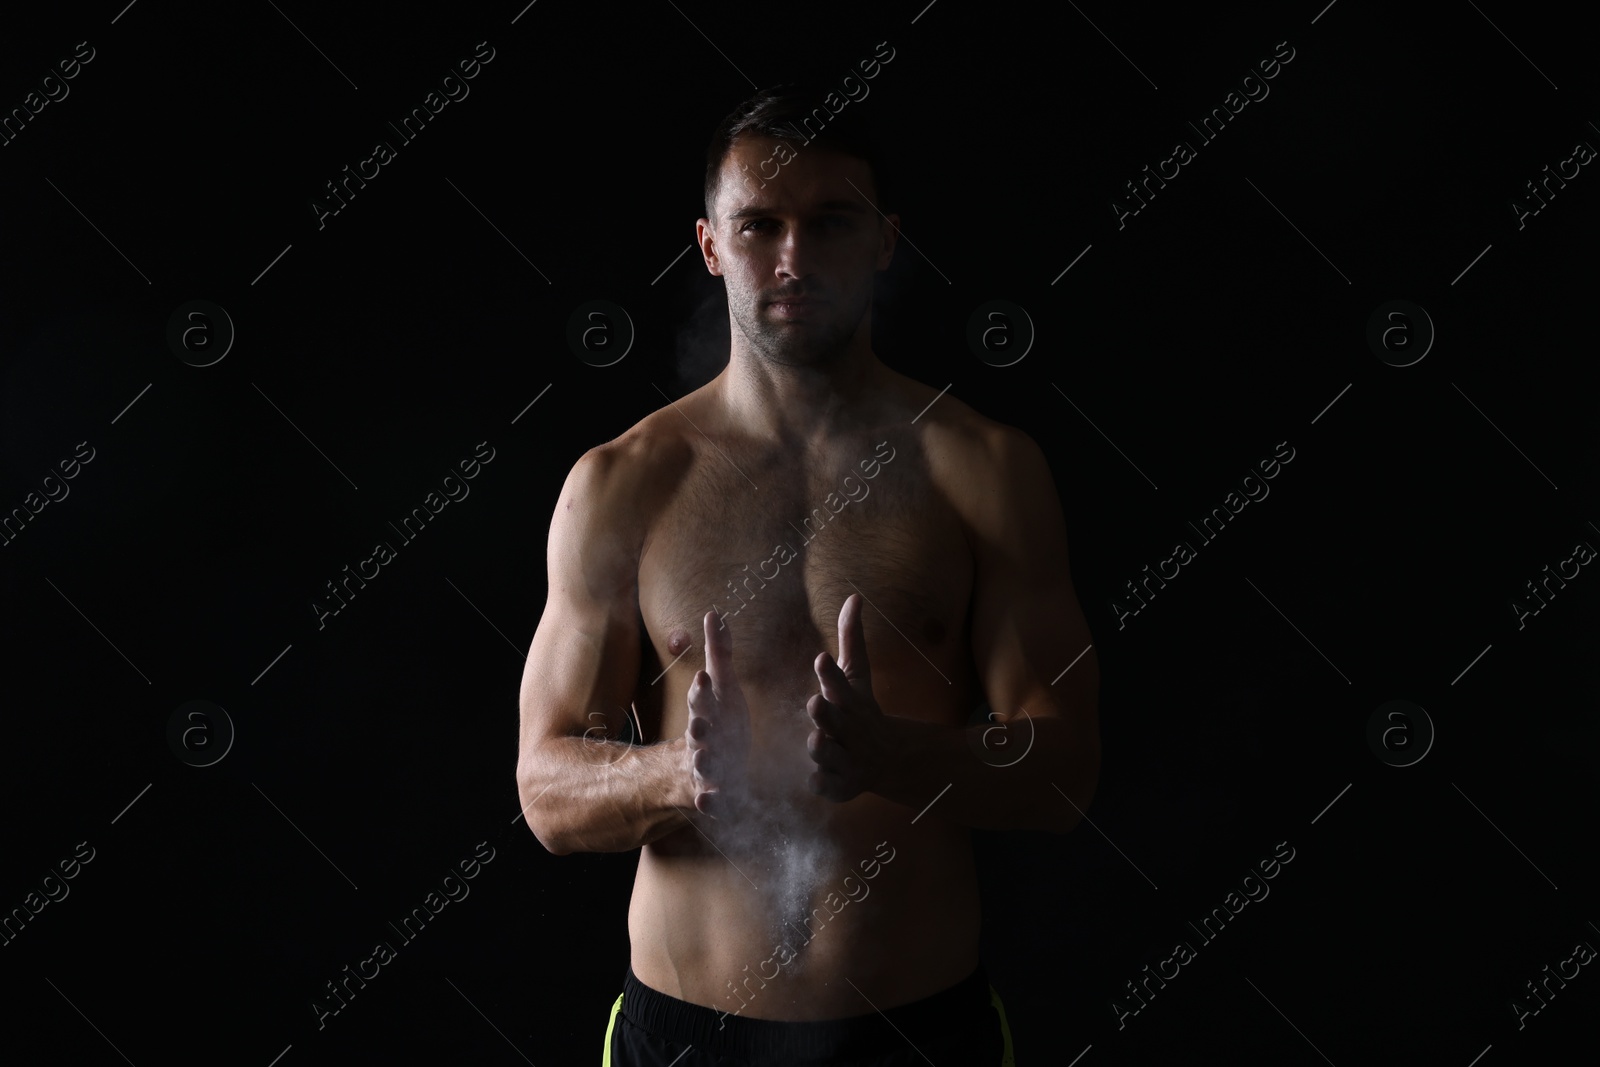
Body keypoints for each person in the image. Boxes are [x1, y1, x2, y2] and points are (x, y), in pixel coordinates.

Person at [515, 82, 1101, 1066]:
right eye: (759, 225)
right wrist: (680, 774)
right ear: (709, 245)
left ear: (883, 239)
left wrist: (895, 758)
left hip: (916, 1031)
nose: (793, 258)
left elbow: (1065, 769)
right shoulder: (620, 484)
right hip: (684, 1032)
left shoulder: (982, 470)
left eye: (831, 221)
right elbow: (542, 786)